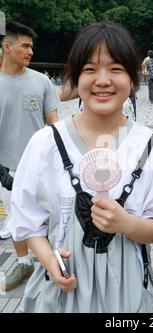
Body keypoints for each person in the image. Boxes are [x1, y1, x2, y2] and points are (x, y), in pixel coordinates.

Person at [7, 21, 153, 313]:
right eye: (89, 70)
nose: (102, 80)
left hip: (126, 292)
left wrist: (127, 224)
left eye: (115, 69)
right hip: (61, 288)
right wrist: (49, 259)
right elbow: (27, 219)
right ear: (74, 77)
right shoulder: (45, 143)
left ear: (132, 77)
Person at [0, 21, 59, 291]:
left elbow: (54, 126)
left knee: (52, 218)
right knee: (17, 221)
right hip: (6, 169)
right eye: (25, 46)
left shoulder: (41, 81)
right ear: (7, 46)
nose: (31, 51)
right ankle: (23, 264)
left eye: (32, 46)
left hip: (42, 167)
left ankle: (54, 263)